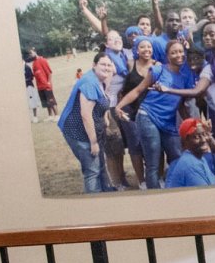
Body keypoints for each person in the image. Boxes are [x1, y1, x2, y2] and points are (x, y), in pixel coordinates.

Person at [59, 52, 115, 193]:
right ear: (94, 65)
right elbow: (85, 115)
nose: (107, 67)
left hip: (93, 129)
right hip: (78, 131)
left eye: (109, 65)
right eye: (103, 64)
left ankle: (106, 193)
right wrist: (93, 142)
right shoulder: (90, 82)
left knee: (100, 164)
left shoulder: (101, 78)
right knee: (92, 171)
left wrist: (105, 118)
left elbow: (103, 101)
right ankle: (95, 202)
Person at [143, 40, 195, 182]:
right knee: (153, 162)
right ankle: (154, 195)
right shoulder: (159, 70)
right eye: (173, 52)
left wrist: (191, 123)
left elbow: (181, 103)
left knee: (176, 156)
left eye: (180, 51)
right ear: (167, 56)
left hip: (168, 121)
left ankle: (175, 186)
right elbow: (139, 90)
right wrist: (120, 106)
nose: (178, 55)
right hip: (149, 115)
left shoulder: (184, 76)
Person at [114, 40, 164, 189]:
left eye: (149, 46)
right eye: (142, 47)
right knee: (135, 145)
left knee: (156, 145)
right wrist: (119, 102)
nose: (146, 49)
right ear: (136, 49)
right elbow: (120, 84)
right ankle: (141, 180)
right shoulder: (130, 64)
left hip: (152, 110)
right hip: (131, 109)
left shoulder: (158, 66)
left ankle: (159, 177)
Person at [164, 118, 215, 188]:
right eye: (197, 137)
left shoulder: (199, 158)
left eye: (204, 134)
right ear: (185, 141)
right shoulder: (190, 164)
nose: (203, 140)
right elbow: (205, 194)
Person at [29, 48, 58, 120]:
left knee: (51, 101)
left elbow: (49, 72)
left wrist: (48, 82)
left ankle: (57, 115)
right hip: (40, 86)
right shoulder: (34, 63)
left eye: (31, 53)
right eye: (30, 54)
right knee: (45, 102)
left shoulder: (42, 60)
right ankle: (50, 116)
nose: (31, 55)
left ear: (35, 52)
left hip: (46, 85)